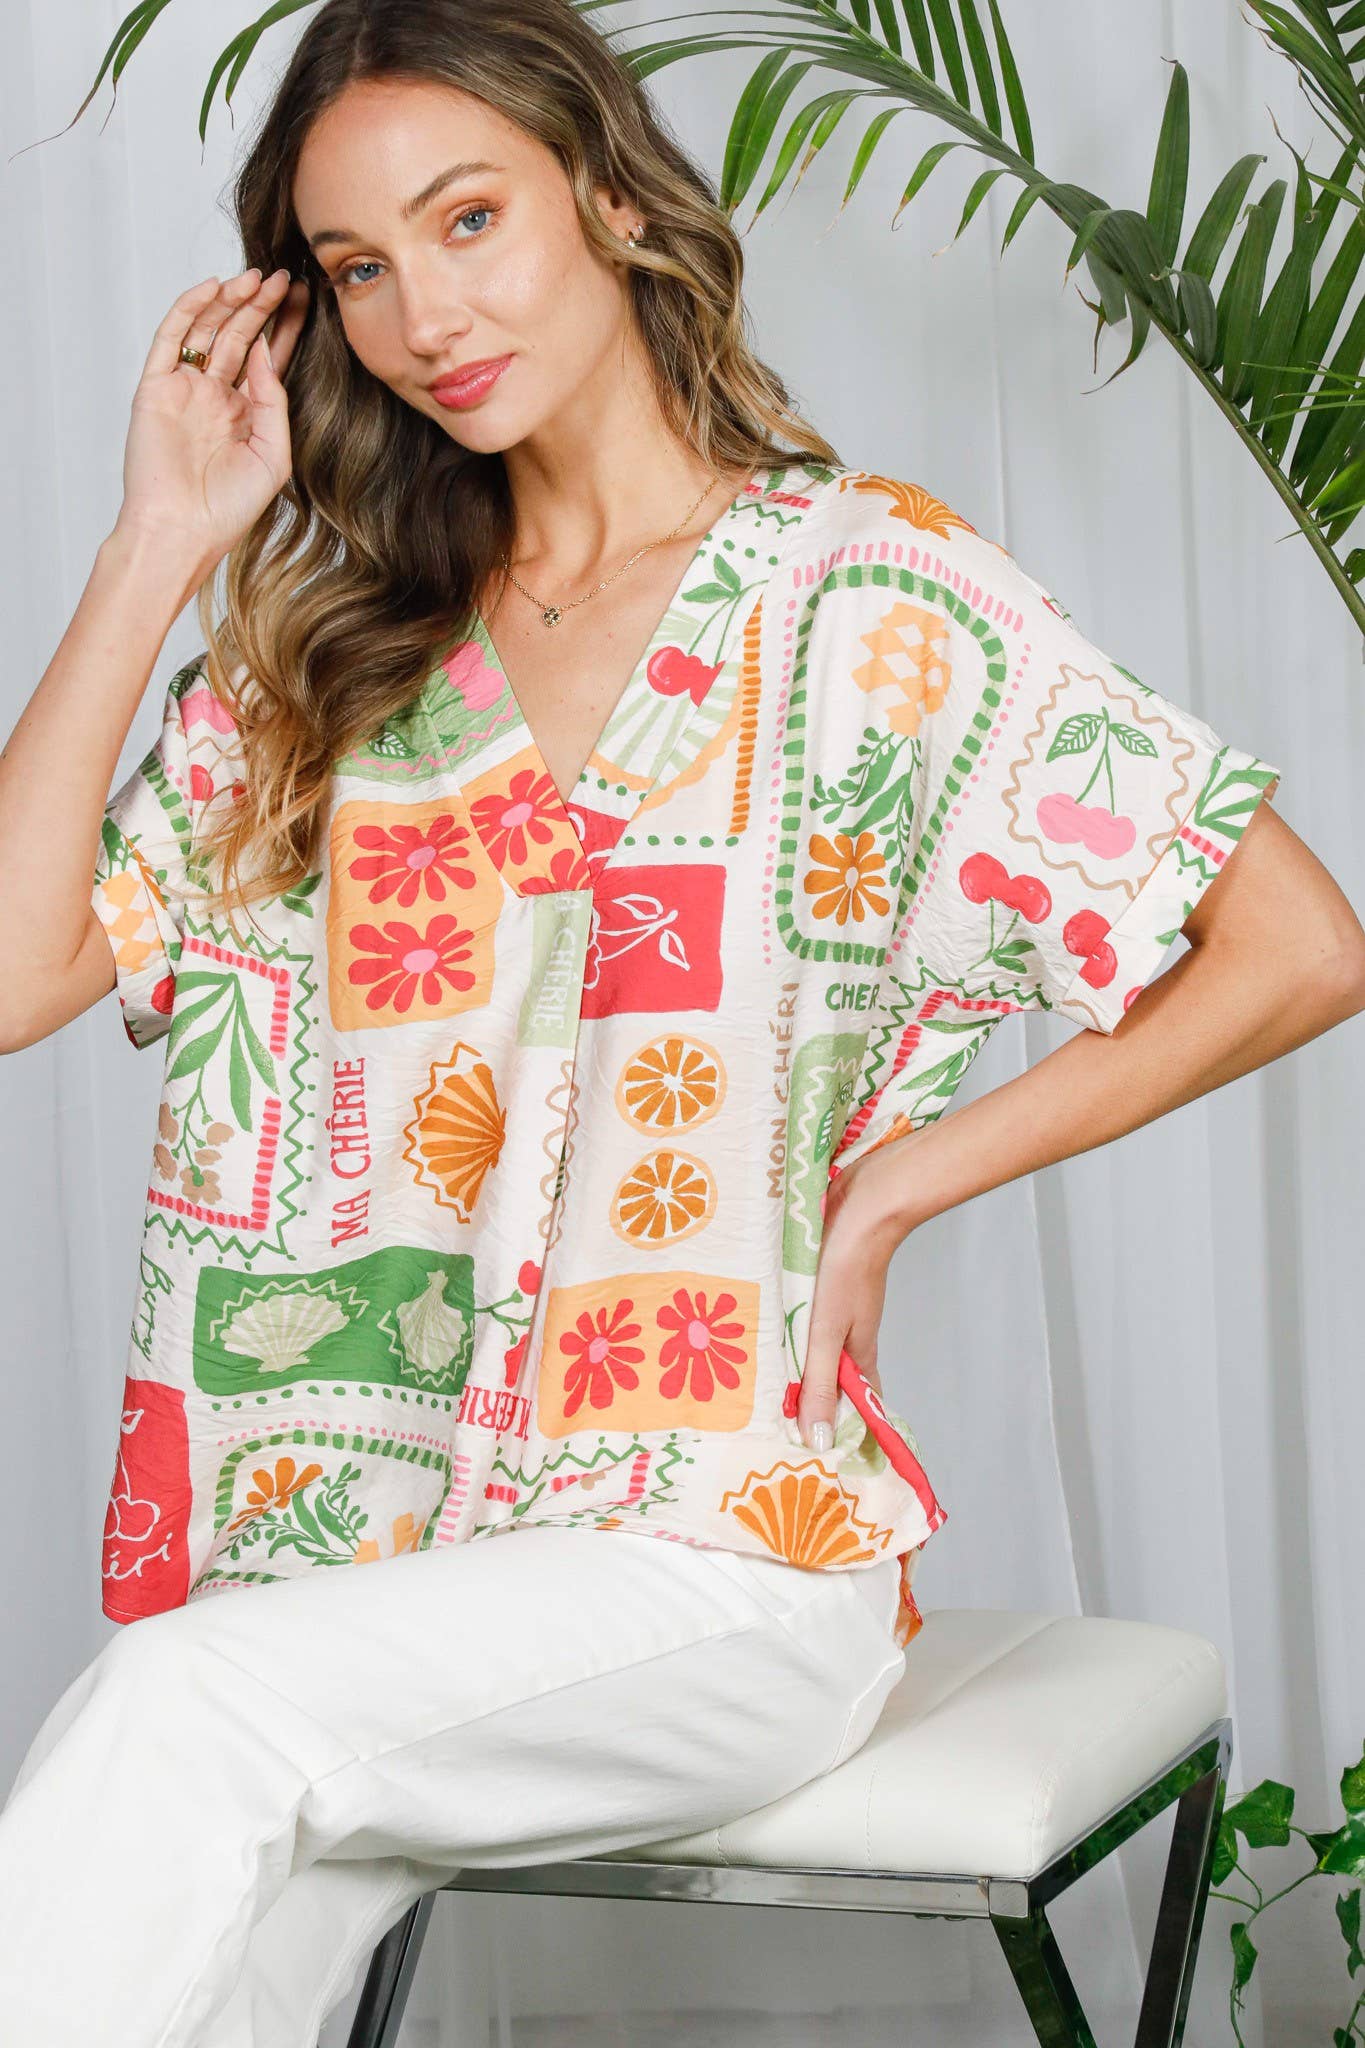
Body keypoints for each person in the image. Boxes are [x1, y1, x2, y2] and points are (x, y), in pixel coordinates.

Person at [1, 1, 1362, 2042]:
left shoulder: (868, 601)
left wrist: (895, 1185)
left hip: (724, 1548)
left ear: (612, 202)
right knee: (197, 1904)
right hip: (371, 1573)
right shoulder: (337, 655)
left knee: (180, 1715)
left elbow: (1295, 945)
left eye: (469, 219)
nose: (420, 315)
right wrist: (156, 542)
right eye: (357, 267)